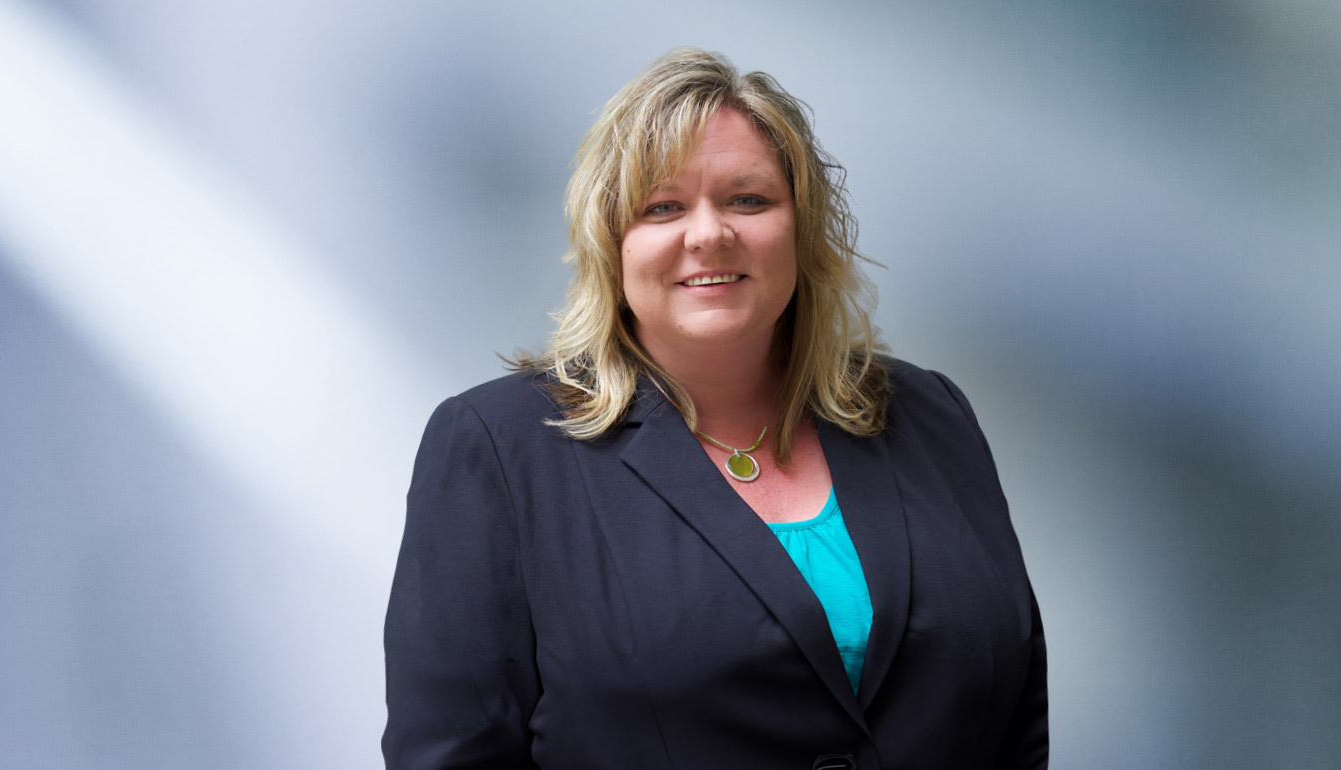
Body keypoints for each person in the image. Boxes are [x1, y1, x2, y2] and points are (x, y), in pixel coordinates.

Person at [383, 47, 1046, 769]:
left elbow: (1016, 720)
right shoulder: (499, 450)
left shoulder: (931, 415)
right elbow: (451, 754)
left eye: (748, 199)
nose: (709, 234)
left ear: (802, 227)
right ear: (611, 244)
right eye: (662, 207)